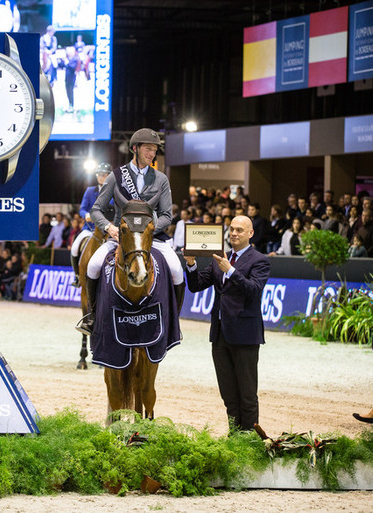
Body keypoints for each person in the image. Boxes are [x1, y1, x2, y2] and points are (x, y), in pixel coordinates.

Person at [77, 128, 185, 336]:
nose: (152, 154)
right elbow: (96, 210)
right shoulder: (115, 176)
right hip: (121, 236)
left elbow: (166, 215)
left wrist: (148, 229)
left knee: (176, 270)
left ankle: (174, 322)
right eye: (148, 149)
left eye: (154, 150)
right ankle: (93, 317)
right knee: (93, 265)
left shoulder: (161, 179)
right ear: (135, 148)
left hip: (152, 237)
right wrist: (109, 227)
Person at [183, 215, 271, 432]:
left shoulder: (259, 260)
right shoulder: (219, 258)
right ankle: (235, 436)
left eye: (240, 230)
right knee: (229, 394)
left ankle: (248, 439)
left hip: (245, 335)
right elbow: (195, 286)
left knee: (247, 394)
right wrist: (192, 264)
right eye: (231, 229)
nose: (234, 233)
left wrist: (230, 271)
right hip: (220, 334)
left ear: (250, 233)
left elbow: (253, 290)